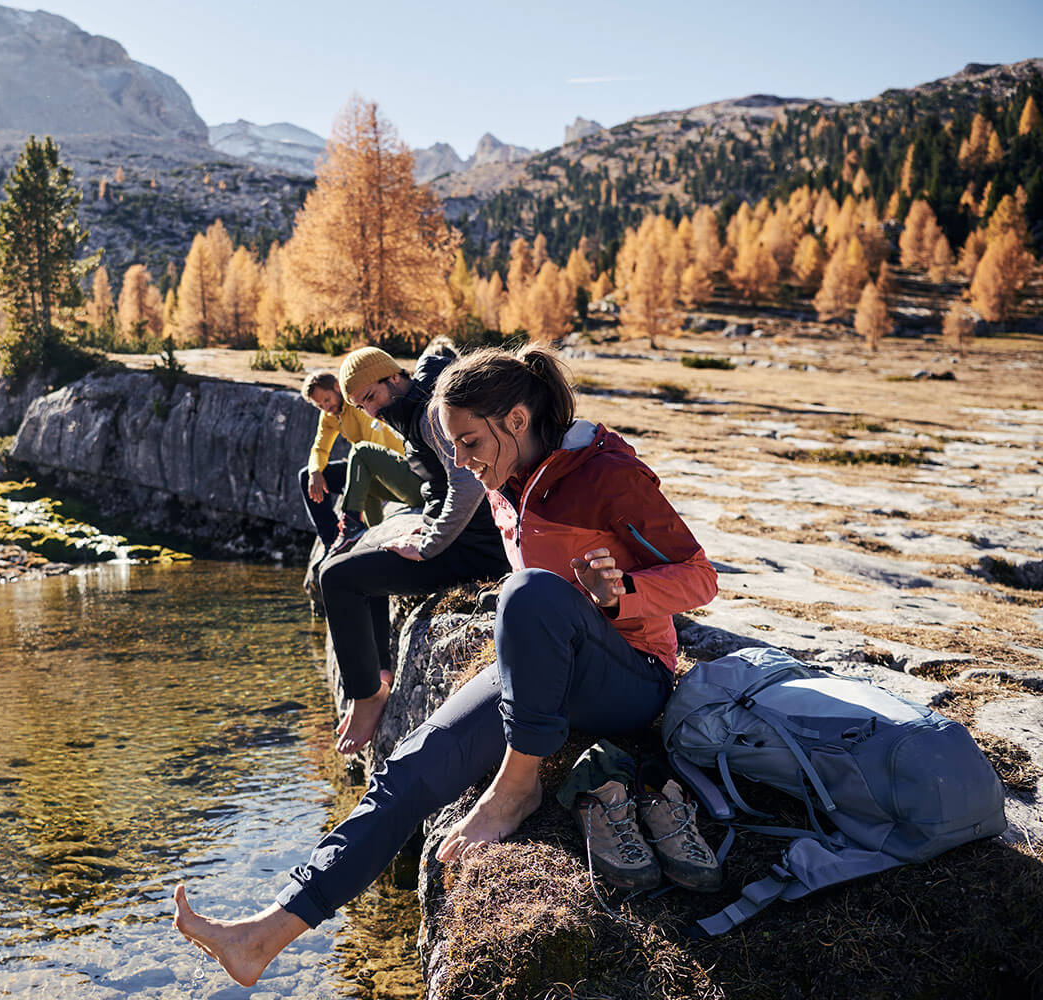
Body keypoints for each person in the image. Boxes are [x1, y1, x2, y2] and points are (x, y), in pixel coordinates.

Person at [174, 344, 718, 988]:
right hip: (545, 670)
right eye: (452, 446)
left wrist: (621, 591)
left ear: (517, 420)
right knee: (410, 765)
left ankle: (516, 789)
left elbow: (700, 577)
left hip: (630, 676)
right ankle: (264, 934)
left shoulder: (607, 475)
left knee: (530, 591)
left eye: (467, 442)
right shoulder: (504, 483)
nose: (459, 461)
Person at [317, 346, 508, 755]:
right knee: (361, 562)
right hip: (470, 540)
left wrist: (428, 543)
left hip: (471, 551)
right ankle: (379, 674)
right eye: (359, 405)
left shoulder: (430, 414)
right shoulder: (419, 406)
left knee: (336, 578)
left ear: (392, 379)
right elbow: (443, 483)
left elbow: (470, 484)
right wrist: (432, 519)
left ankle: (368, 695)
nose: (369, 412)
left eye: (370, 398)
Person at [298, 370, 407, 552]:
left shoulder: (359, 405)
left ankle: (357, 528)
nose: (325, 407)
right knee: (306, 477)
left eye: (326, 400)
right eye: (319, 405)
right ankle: (331, 540)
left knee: (358, 464)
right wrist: (315, 472)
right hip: (362, 464)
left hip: (389, 466)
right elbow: (320, 447)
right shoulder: (329, 415)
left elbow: (373, 445)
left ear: (336, 387)